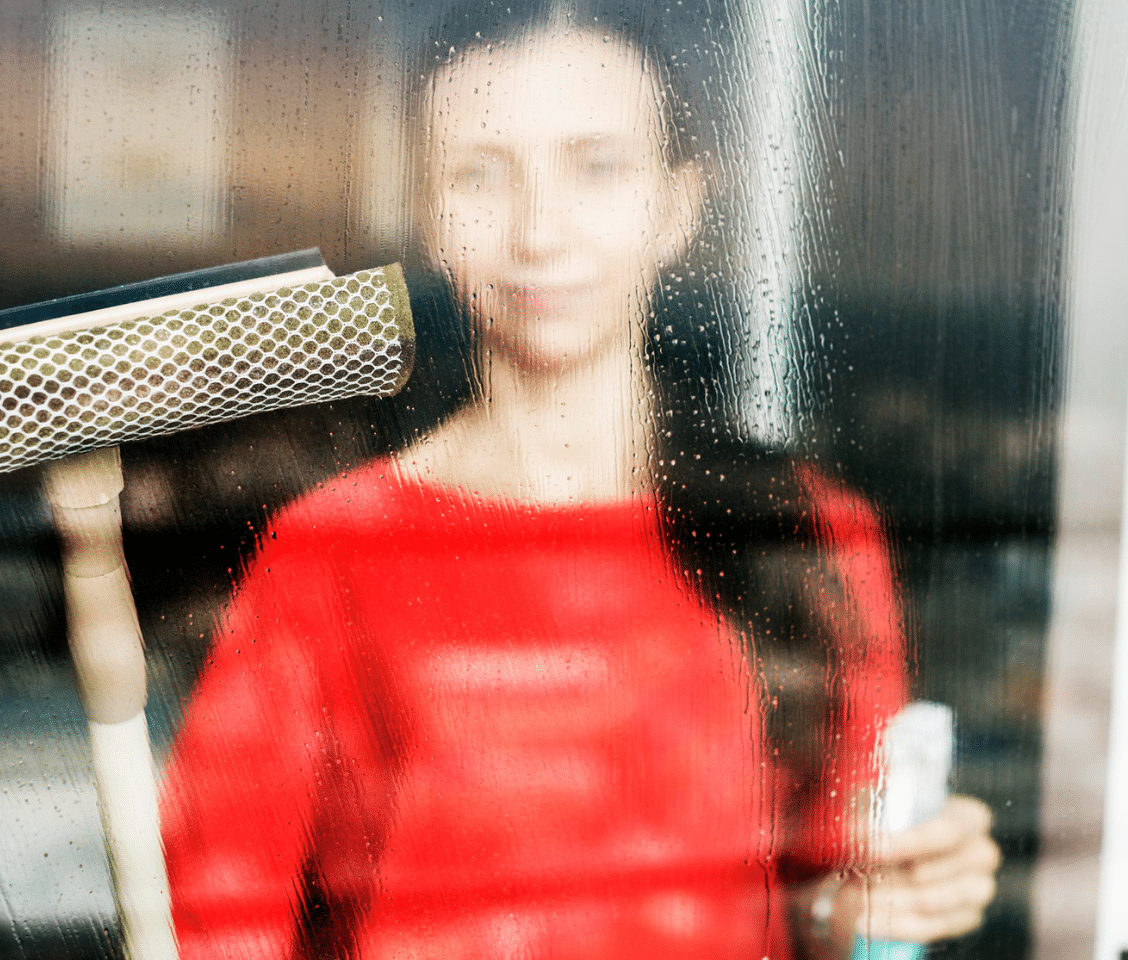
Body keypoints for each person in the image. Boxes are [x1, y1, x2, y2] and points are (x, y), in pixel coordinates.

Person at [160, 4, 1000, 958]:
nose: (539, 231)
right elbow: (216, 922)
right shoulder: (334, 549)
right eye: (481, 175)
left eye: (596, 167)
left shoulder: (806, 529)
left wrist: (882, 904)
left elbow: (823, 898)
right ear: (429, 219)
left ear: (677, 206)